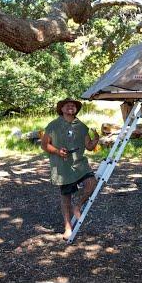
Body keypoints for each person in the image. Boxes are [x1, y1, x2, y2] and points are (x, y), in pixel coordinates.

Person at [41, 98, 100, 240]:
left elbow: (89, 147)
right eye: (67, 105)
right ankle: (67, 227)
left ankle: (78, 205)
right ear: (61, 109)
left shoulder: (81, 126)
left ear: (76, 109)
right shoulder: (53, 125)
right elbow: (44, 145)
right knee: (66, 197)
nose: (70, 107)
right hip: (63, 167)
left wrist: (95, 140)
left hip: (80, 164)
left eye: (73, 105)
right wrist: (56, 151)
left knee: (92, 183)